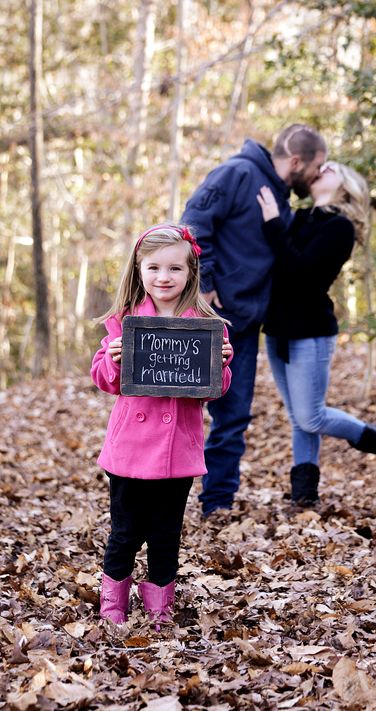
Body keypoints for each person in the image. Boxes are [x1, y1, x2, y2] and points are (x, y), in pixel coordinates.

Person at [90, 224, 233, 630]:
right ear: (139, 271)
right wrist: (113, 360)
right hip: (130, 449)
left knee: (166, 534)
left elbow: (215, 391)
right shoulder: (126, 322)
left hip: (178, 451)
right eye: (153, 268)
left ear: (191, 273)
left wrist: (220, 365)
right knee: (126, 531)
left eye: (175, 268)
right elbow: (104, 380)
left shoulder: (207, 326)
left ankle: (159, 607)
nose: (164, 277)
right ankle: (113, 604)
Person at [181, 124, 327, 517]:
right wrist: (206, 282)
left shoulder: (279, 196)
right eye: (318, 166)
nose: (317, 175)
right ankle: (164, 501)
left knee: (234, 415)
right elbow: (193, 222)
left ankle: (217, 503)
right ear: (296, 160)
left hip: (245, 323)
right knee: (185, 410)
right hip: (212, 317)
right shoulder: (238, 173)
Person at [257, 162, 376, 504]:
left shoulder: (340, 227)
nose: (321, 168)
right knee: (300, 418)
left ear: (346, 186)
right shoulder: (299, 217)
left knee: (311, 415)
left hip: (310, 330)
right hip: (278, 329)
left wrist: (272, 224)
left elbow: (300, 272)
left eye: (331, 167)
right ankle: (304, 495)